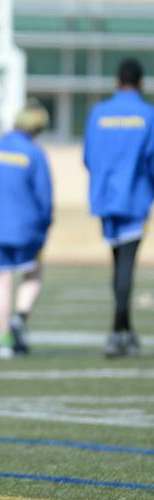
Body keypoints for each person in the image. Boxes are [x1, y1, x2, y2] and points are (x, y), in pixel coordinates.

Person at [84, 58, 154, 358]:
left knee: (118, 265)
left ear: (117, 81)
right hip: (134, 197)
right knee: (126, 266)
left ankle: (126, 332)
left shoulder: (99, 113)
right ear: (141, 83)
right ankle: (116, 332)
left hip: (105, 198)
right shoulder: (148, 115)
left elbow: (87, 156)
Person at [0, 101, 52, 359]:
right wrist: (45, 225)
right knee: (33, 275)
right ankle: (19, 318)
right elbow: (44, 197)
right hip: (27, 227)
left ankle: (5, 339)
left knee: (1, 279)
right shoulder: (34, 153)